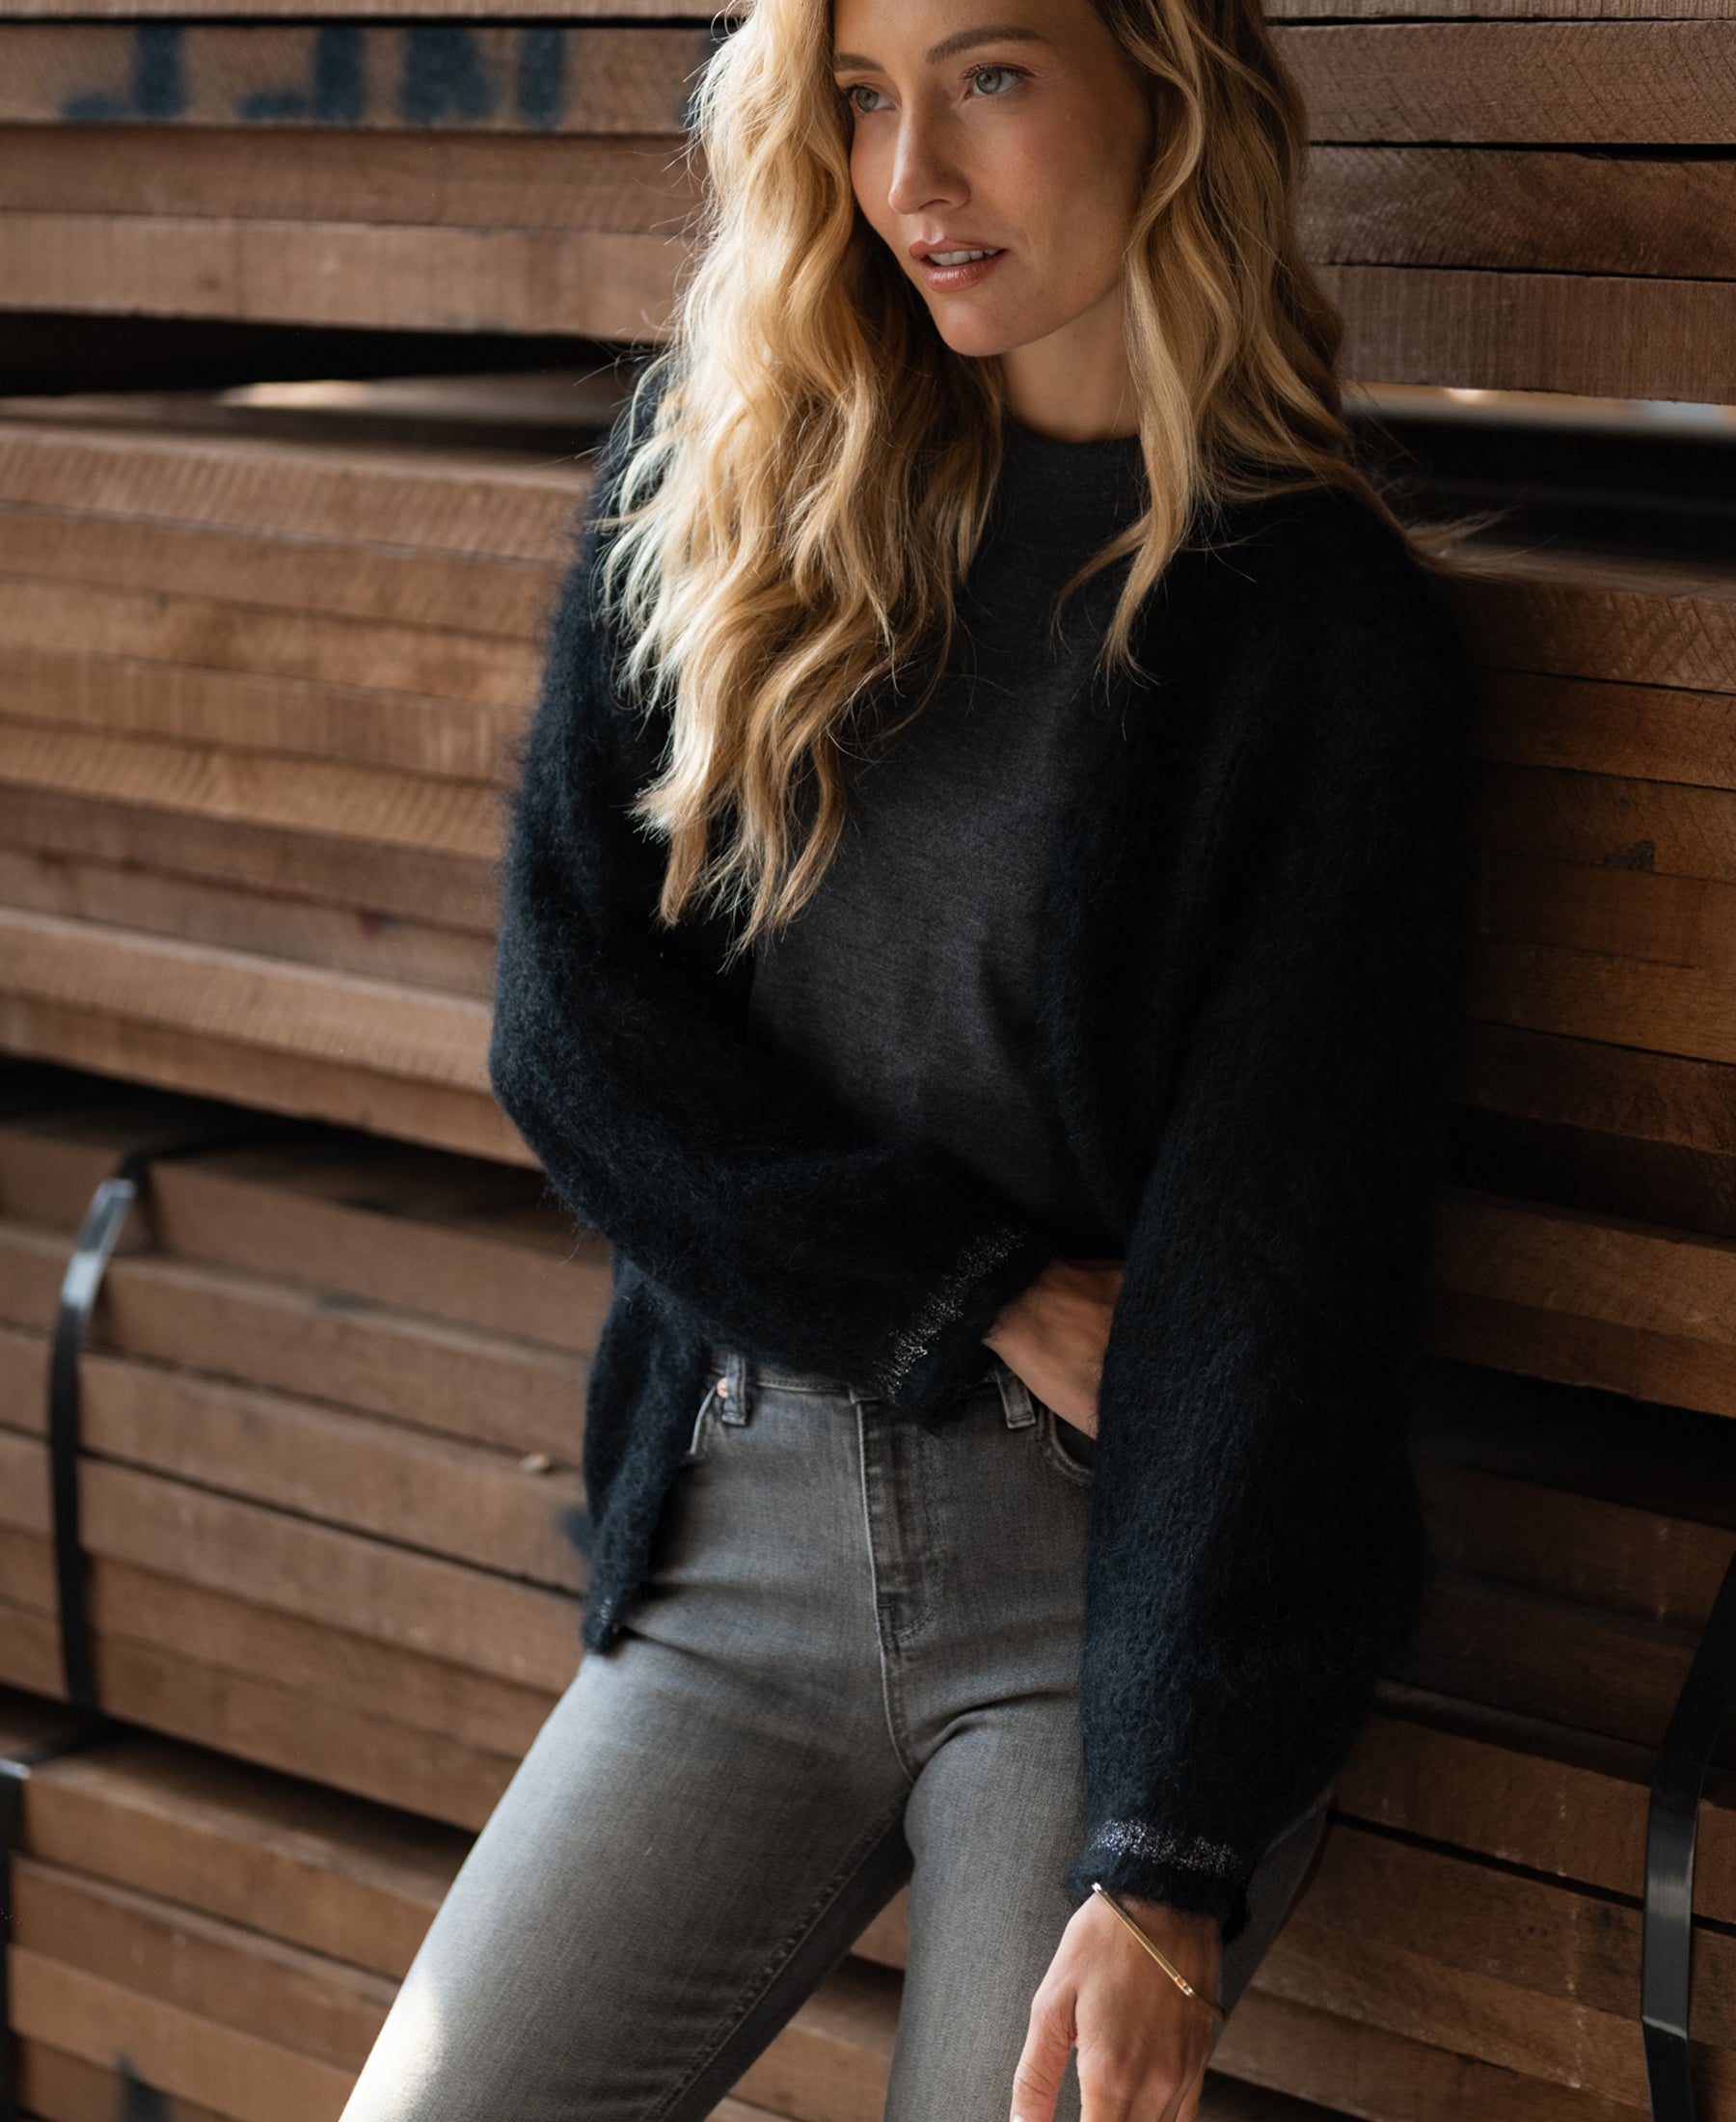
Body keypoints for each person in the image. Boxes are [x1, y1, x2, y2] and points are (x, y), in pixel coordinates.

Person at [340, 0, 1475, 2116]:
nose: (912, 181)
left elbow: (1275, 1271)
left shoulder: (1315, 637)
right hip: (742, 1526)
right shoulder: (734, 473)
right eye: (860, 100)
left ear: (1168, 82)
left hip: (1091, 1583)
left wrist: (1168, 1847)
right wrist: (965, 1287)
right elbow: (571, 1024)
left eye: (992, 77)